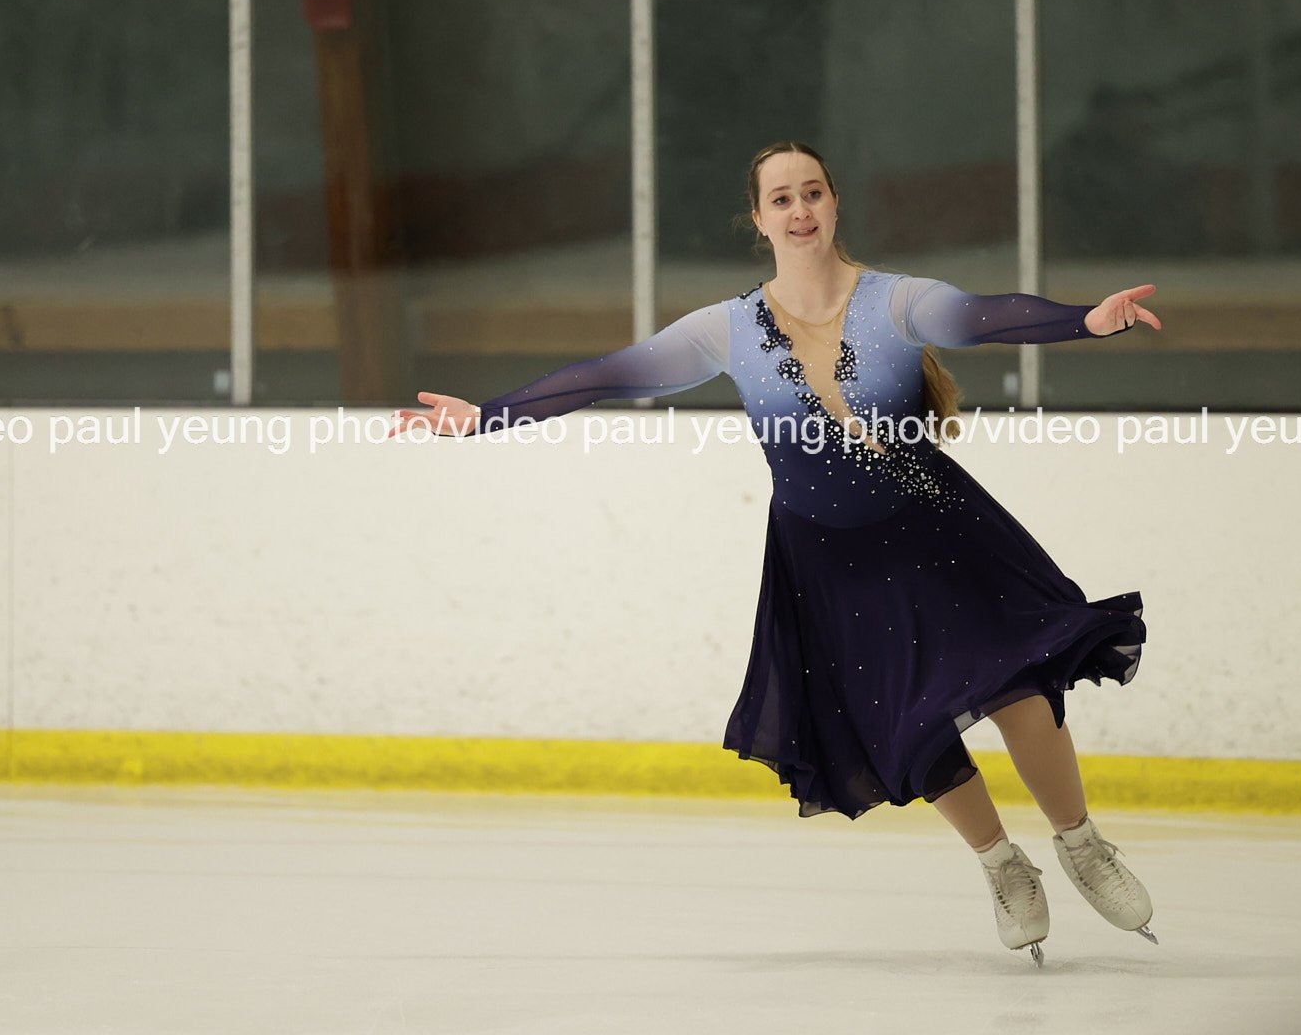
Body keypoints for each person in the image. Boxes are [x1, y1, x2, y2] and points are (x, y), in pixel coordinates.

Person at [391, 141, 1162, 967]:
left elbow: (982, 315)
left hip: (936, 530)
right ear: (758, 219)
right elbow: (608, 374)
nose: (800, 210)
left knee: (1017, 687)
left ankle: (1081, 843)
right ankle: (1001, 863)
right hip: (827, 560)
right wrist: (488, 415)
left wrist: (1083, 320)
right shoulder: (726, 330)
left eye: (813, 193)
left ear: (834, 204)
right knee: (909, 724)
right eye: (782, 199)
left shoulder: (897, 302)